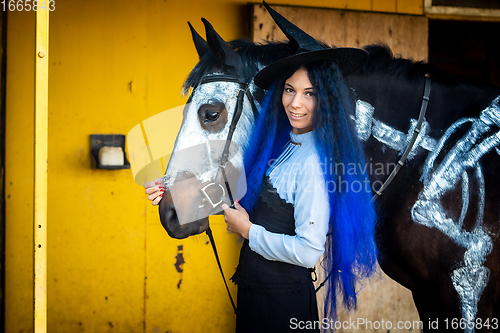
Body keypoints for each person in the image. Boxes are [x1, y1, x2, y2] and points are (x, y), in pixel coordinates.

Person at [145, 4, 378, 332]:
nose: (295, 103)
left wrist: (247, 231)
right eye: (289, 90)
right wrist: (176, 188)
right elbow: (257, 205)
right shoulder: (285, 150)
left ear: (326, 100)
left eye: (309, 94)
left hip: (283, 306)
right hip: (258, 296)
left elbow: (308, 252)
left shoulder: (313, 162)